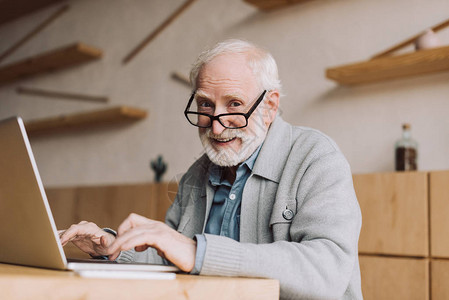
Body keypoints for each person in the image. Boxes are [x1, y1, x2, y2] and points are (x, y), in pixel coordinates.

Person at [59, 39, 363, 299]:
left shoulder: (315, 156)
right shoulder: (197, 174)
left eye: (234, 104)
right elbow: (173, 257)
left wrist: (200, 253)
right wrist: (113, 247)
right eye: (205, 105)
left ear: (270, 106)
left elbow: (327, 270)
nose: (217, 124)